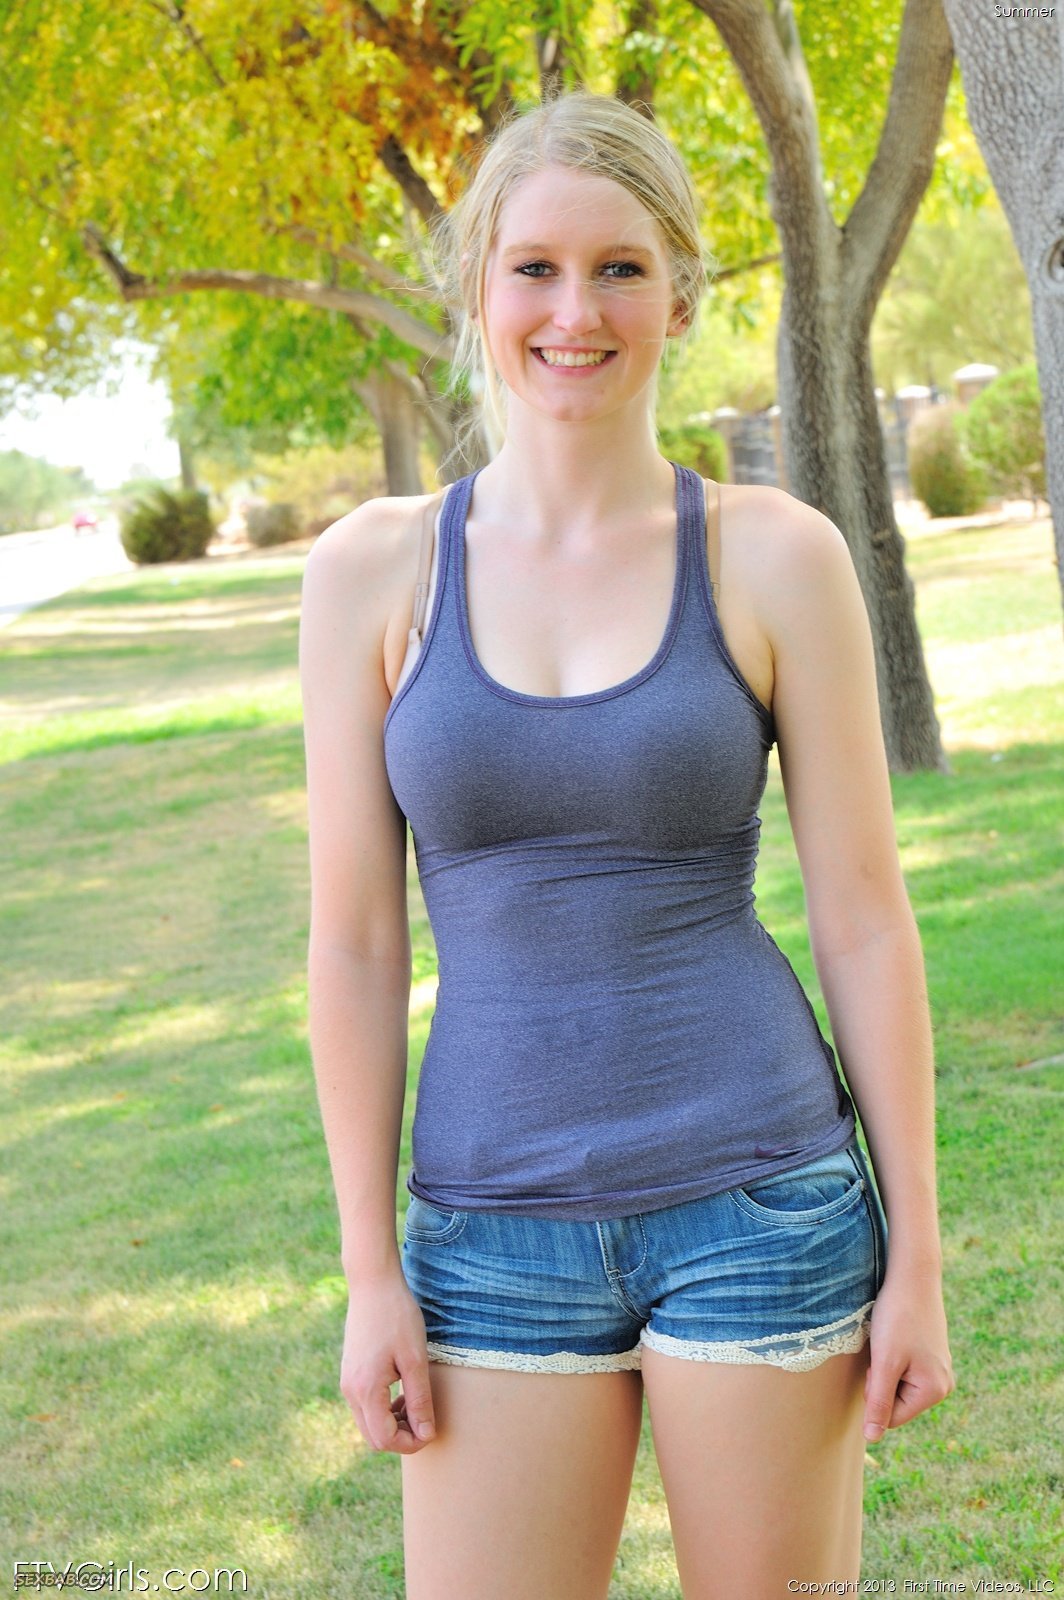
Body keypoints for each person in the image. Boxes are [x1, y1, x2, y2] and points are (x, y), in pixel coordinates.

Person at [299, 89, 954, 1599]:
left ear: (680, 295)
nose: (575, 311)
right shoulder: (372, 574)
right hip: (487, 1229)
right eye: (534, 267)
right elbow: (356, 941)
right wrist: (368, 1272)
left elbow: (864, 918)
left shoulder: (776, 556)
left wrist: (917, 1254)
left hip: (761, 1207)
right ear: (479, 288)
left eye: (619, 269)